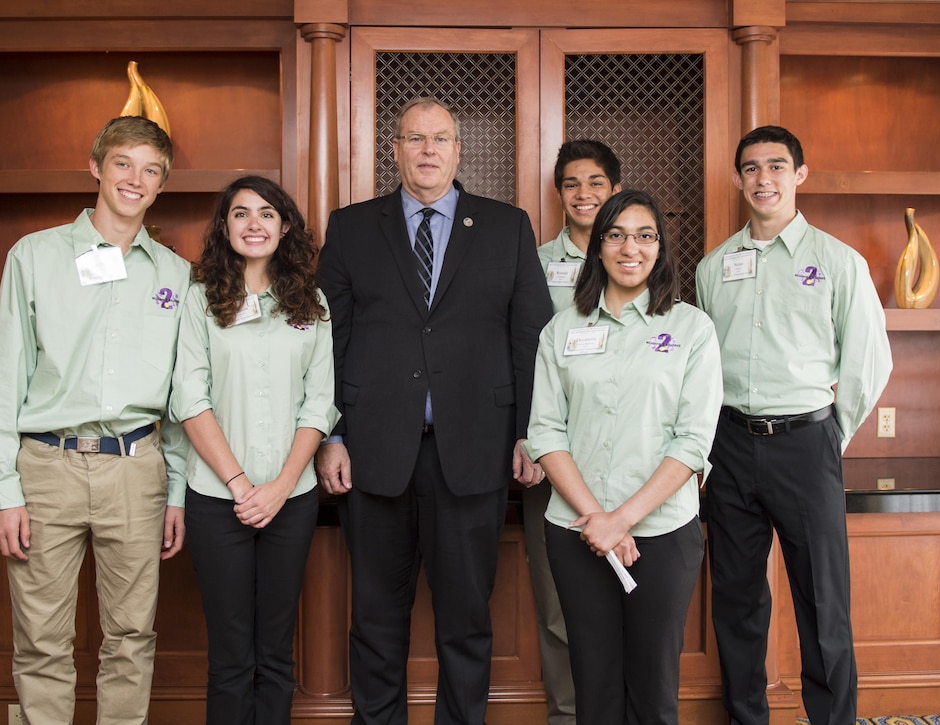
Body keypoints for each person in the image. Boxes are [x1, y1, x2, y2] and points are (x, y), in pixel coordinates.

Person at [315, 96, 553, 725]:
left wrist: (531, 434)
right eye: (414, 139)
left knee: (467, 621)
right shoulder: (351, 227)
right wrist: (331, 434)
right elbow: (325, 341)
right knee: (374, 620)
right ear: (393, 149)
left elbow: (529, 338)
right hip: (372, 453)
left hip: (475, 450)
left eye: (440, 139)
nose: (427, 151)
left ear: (457, 149)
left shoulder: (507, 226)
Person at [0, 115, 191, 723]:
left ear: (161, 185)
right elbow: (5, 382)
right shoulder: (34, 256)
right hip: (46, 468)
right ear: (96, 167)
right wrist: (3, 491)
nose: (136, 179)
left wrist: (175, 491)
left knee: (131, 637)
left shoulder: (175, 276)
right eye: (124, 163)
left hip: (138, 469)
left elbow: (180, 402)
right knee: (42, 639)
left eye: (151, 171)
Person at [695, 125, 892, 725]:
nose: (764, 179)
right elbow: (699, 367)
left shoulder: (837, 262)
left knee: (823, 600)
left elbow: (867, 360)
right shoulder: (713, 267)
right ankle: (745, 717)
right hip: (728, 446)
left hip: (807, 444)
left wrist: (833, 434)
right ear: (738, 179)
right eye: (752, 168)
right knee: (735, 599)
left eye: (777, 167)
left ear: (799, 175)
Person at [526, 189, 723, 725]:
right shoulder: (561, 329)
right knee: (594, 683)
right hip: (575, 532)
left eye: (644, 235)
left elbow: (692, 440)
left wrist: (622, 520)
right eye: (615, 234)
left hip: (662, 532)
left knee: (654, 686)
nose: (629, 247)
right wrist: (599, 519)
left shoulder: (691, 329)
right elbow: (546, 432)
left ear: (660, 247)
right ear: (598, 246)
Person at [170, 175, 339, 724]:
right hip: (217, 500)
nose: (254, 224)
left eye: (267, 214)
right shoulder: (200, 300)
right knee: (230, 655)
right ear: (225, 227)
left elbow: (320, 403)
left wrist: (281, 487)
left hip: (292, 500)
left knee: (275, 650)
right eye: (241, 214)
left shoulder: (311, 303)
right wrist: (243, 487)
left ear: (285, 226)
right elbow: (189, 399)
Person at [528, 139, 622, 725]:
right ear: (559, 194)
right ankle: (569, 716)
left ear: (614, 188)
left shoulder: (647, 261)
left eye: (594, 183)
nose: (583, 194)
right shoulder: (534, 263)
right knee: (559, 609)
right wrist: (526, 440)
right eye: (571, 184)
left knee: (634, 605)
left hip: (633, 464)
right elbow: (520, 360)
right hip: (555, 461)